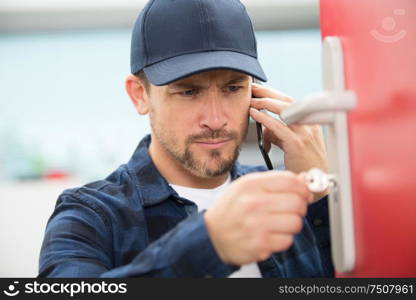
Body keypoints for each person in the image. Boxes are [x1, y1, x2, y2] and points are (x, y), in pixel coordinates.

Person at [38, 0, 334, 278]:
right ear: (140, 95)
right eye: (189, 92)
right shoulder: (91, 215)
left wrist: (321, 196)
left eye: (233, 88)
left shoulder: (290, 194)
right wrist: (209, 245)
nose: (216, 120)